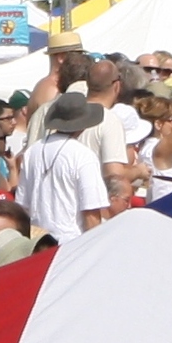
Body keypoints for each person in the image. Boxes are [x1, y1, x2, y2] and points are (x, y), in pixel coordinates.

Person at [17, 94, 110, 245]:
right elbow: (91, 213)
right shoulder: (83, 156)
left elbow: (23, 205)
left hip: (38, 243)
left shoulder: (32, 151)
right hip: (72, 243)